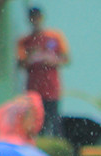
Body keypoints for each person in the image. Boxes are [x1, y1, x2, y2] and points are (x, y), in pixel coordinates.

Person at [16, 7, 68, 137]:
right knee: (36, 122)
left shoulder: (54, 37)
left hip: (51, 87)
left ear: (42, 18)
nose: (36, 21)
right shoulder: (25, 41)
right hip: (34, 89)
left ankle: (55, 143)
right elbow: (20, 64)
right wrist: (31, 57)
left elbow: (66, 59)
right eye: (33, 18)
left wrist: (51, 60)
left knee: (54, 121)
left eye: (38, 18)